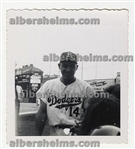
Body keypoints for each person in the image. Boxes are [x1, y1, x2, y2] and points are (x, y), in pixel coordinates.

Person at [35, 51, 95, 136]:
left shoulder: (86, 88)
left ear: (76, 67)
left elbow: (90, 115)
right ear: (59, 66)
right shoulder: (48, 85)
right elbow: (42, 113)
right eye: (65, 66)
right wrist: (37, 137)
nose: (68, 69)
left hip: (78, 133)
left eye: (71, 66)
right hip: (55, 132)